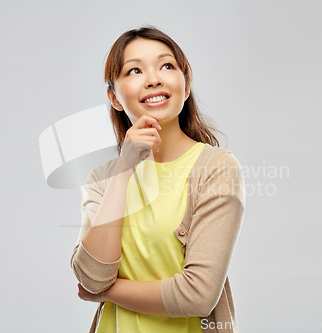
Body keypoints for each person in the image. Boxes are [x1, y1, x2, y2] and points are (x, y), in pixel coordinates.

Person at [70, 25, 245, 333]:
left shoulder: (216, 169)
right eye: (134, 70)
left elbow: (197, 296)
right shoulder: (101, 179)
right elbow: (92, 275)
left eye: (166, 65)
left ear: (186, 84)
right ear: (113, 97)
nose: (153, 79)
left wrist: (106, 293)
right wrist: (123, 170)